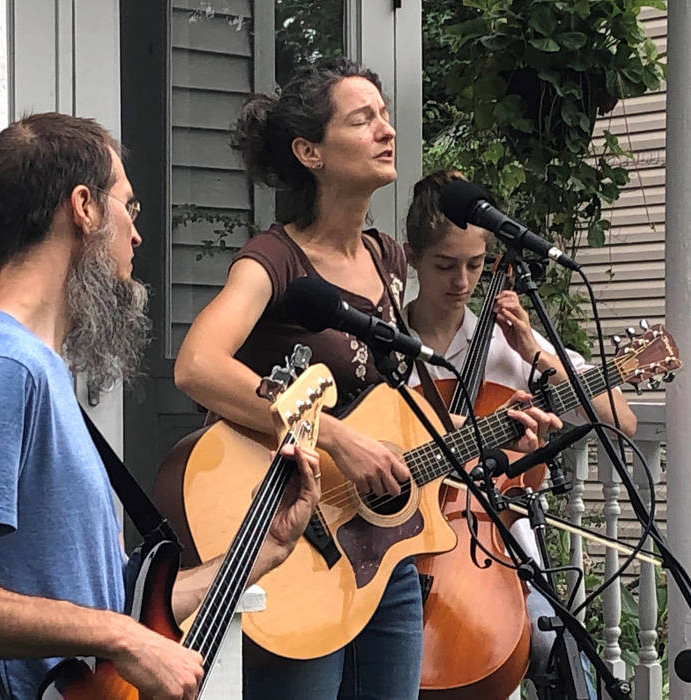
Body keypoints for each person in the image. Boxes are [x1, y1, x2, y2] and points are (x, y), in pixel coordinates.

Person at [174, 57, 561, 700]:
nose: (387, 130)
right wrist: (333, 438)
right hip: (297, 541)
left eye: (384, 114)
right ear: (310, 152)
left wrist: (488, 430)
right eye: (362, 120)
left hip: (386, 555)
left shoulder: (385, 259)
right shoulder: (275, 259)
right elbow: (197, 366)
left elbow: (385, 414)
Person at [0, 112, 321, 700]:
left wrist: (262, 550)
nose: (137, 235)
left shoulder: (41, 373)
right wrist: (124, 638)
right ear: (84, 207)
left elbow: (114, 604)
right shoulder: (6, 365)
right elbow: (114, 628)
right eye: (129, 207)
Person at [402, 168, 638, 681]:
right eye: (445, 265)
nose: (462, 282)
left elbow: (621, 418)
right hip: (399, 546)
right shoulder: (388, 346)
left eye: (475, 265)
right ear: (412, 256)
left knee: (559, 643)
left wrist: (533, 351)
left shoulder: (506, 344)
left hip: (492, 555)